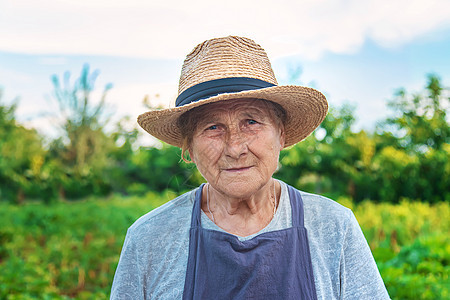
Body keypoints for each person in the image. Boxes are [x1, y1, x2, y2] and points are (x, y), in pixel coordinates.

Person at [110, 36, 389, 300]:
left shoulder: (334, 227)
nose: (235, 147)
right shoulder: (149, 239)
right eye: (213, 127)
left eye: (251, 122)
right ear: (189, 149)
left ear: (281, 134)